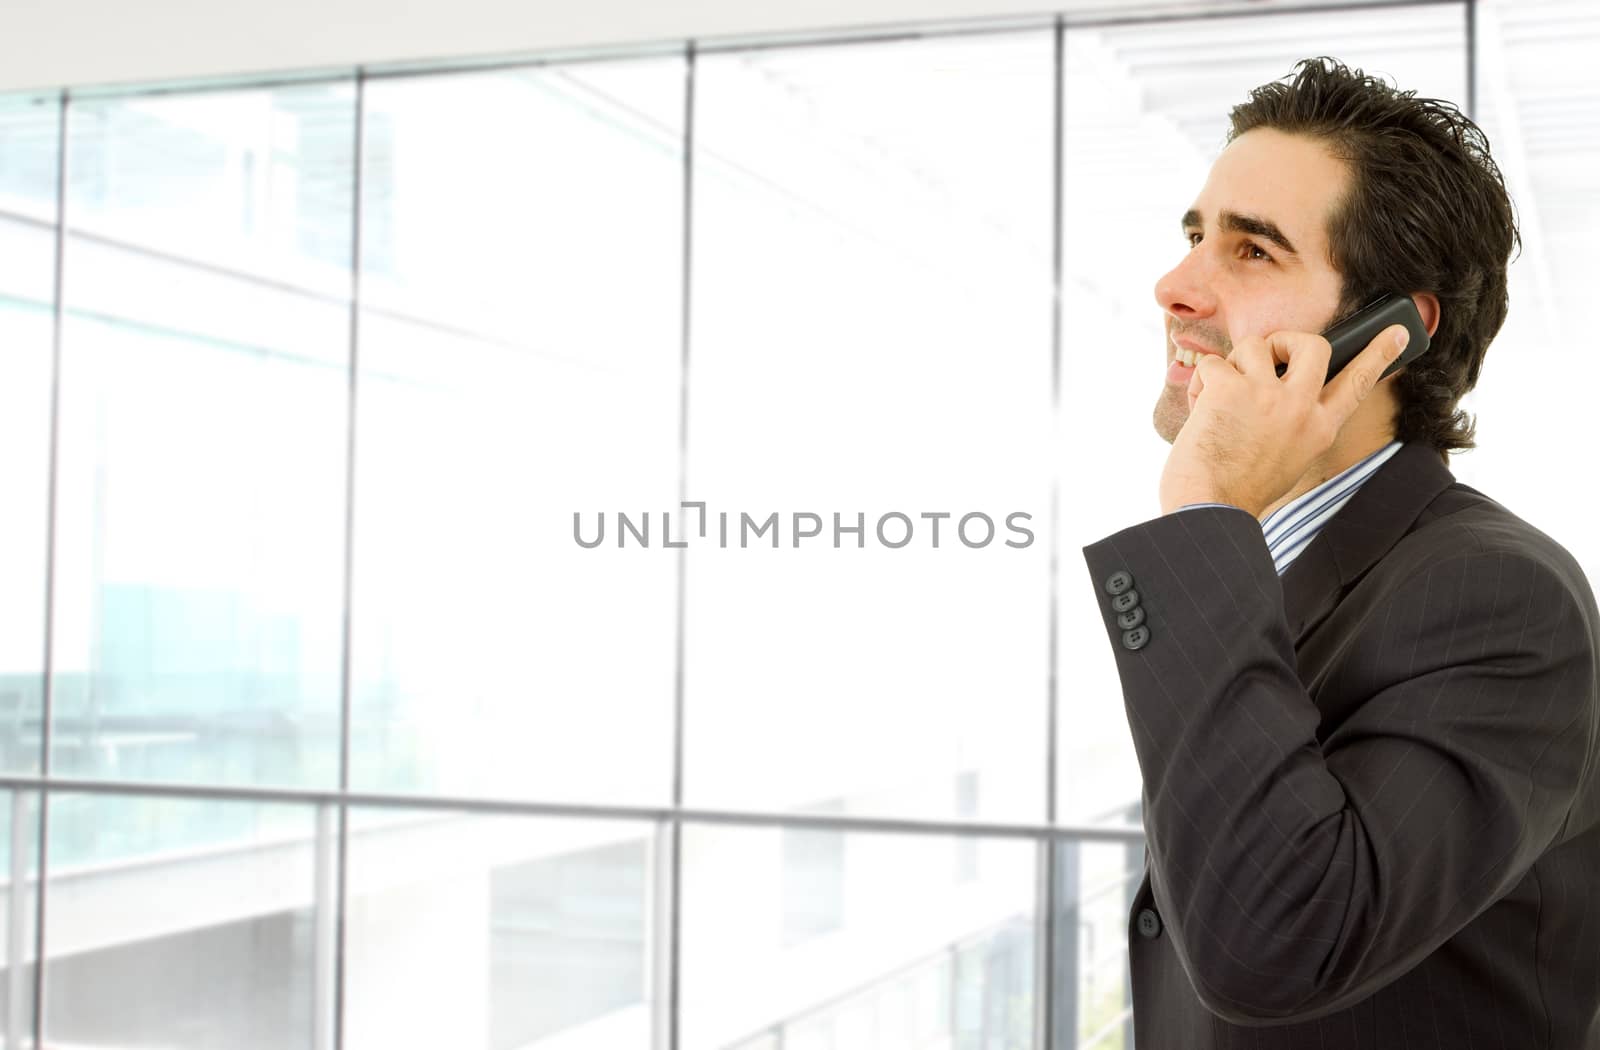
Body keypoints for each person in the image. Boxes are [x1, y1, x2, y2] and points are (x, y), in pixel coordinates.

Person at [1082, 57, 1600, 1047]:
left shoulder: (1496, 596)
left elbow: (1273, 944)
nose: (1174, 286)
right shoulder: (1266, 572)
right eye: (1195, 235)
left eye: (1250, 252)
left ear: (1389, 334)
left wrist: (1199, 515)